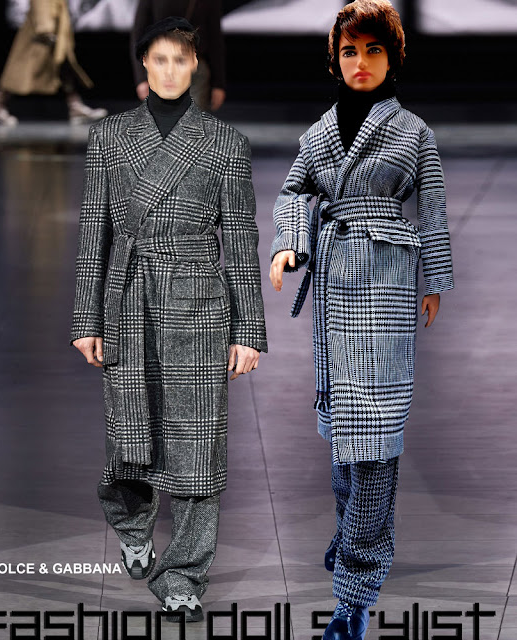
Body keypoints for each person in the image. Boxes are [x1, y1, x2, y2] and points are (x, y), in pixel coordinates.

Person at [71, 17, 267, 623]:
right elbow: (94, 233)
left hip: (198, 305)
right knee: (130, 435)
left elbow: (241, 241)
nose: (171, 70)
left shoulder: (225, 143)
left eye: (181, 60)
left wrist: (248, 330)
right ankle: (132, 523)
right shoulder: (108, 137)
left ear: (195, 65)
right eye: (160, 59)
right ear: (144, 65)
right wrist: (85, 318)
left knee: (198, 445)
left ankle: (183, 575)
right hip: (128, 302)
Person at [269, 2, 453, 639]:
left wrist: (435, 278)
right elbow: (294, 191)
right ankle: (352, 533)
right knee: (346, 433)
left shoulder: (413, 132)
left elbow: (431, 206)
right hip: (335, 289)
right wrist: (291, 243)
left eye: (374, 49)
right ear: (335, 60)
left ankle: (355, 589)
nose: (361, 62)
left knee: (376, 438)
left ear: (393, 57)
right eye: (350, 51)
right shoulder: (319, 133)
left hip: (388, 284)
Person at [0, 0, 107, 126]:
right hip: (43, 31)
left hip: (54, 25)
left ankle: (75, 106)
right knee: (25, 68)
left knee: (64, 65)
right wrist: (45, 27)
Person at [130, 1, 226, 111]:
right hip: (160, 66)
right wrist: (141, 79)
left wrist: (218, 84)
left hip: (194, 67)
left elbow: (215, 39)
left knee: (193, 117)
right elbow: (138, 35)